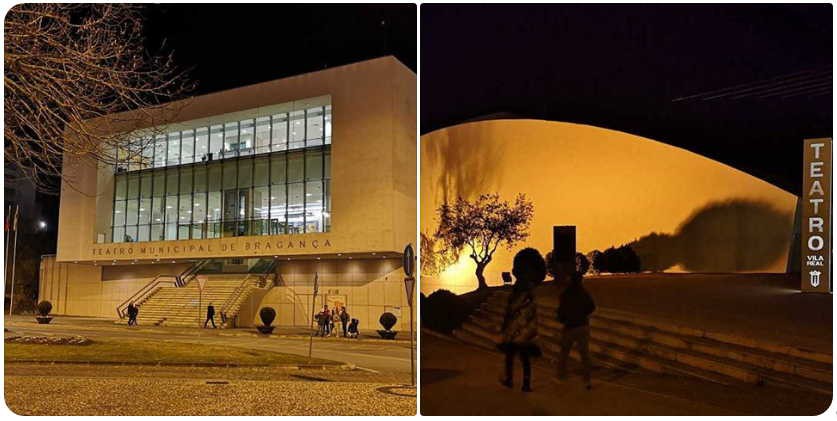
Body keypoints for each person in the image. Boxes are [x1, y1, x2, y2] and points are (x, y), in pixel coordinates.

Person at [498, 247, 546, 392]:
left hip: (516, 330)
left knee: (511, 357)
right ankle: (525, 384)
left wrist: (506, 325)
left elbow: (511, 310)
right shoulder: (530, 291)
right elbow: (531, 312)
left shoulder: (518, 291)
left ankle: (510, 380)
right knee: (524, 359)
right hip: (525, 331)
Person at [555, 253, 596, 390]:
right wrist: (584, 314)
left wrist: (563, 319)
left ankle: (561, 376)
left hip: (570, 327)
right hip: (583, 326)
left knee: (564, 353)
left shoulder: (565, 295)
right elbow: (592, 307)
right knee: (584, 355)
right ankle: (587, 380)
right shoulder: (584, 293)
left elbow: (560, 312)